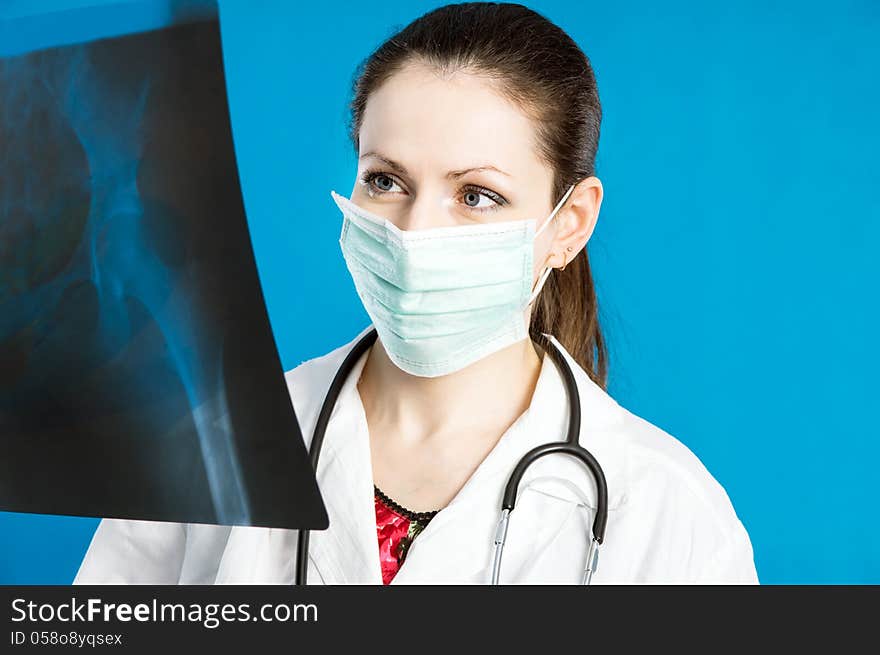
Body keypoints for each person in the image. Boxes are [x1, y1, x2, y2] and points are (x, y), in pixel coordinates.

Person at [74, 2, 758, 585]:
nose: (415, 231)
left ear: (568, 225)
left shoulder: (671, 510)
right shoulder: (210, 448)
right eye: (386, 180)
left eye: (477, 195)